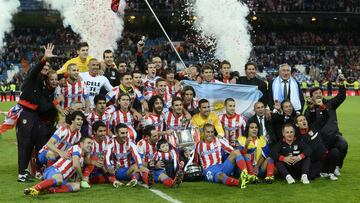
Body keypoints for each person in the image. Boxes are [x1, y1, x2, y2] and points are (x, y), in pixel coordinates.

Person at [16, 44, 56, 182]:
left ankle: (25, 171)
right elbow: (36, 69)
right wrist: (44, 59)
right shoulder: (32, 75)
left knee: (30, 144)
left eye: (47, 69)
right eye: (43, 68)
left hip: (34, 115)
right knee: (24, 144)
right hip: (26, 114)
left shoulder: (41, 81)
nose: (45, 70)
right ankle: (21, 174)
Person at [304, 78, 348, 176]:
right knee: (325, 154)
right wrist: (311, 109)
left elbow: (341, 96)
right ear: (311, 97)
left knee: (343, 144)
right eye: (316, 93)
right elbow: (308, 123)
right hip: (320, 139)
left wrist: (341, 83)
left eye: (320, 92)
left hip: (334, 135)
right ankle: (325, 169)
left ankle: (337, 166)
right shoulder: (309, 109)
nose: (318, 94)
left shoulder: (330, 103)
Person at [24, 136, 93, 196]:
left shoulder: (81, 159)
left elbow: (77, 176)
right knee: (59, 179)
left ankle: (49, 190)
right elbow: (75, 165)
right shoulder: (76, 148)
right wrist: (83, 177)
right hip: (54, 170)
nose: (90, 145)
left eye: (92, 144)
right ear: (81, 144)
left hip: (62, 179)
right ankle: (34, 188)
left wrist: (80, 180)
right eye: (88, 143)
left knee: (76, 186)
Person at [192, 123, 253, 189]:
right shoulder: (198, 146)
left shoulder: (219, 141)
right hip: (209, 170)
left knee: (236, 152)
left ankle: (245, 174)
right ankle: (239, 183)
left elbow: (234, 151)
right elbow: (195, 161)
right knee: (220, 175)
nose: (210, 134)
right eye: (208, 132)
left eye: (212, 132)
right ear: (203, 132)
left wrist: (245, 146)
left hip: (222, 166)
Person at [295, 115, 339, 181]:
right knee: (311, 176)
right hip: (315, 159)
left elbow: (325, 117)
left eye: (304, 119)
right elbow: (308, 151)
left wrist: (321, 106)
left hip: (324, 155)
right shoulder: (298, 137)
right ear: (297, 124)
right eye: (300, 121)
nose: (303, 121)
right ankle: (322, 171)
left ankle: (331, 173)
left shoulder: (314, 127)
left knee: (335, 151)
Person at [82, 121, 112, 187]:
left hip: (102, 166)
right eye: (100, 131)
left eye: (104, 131)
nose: (103, 133)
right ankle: (85, 178)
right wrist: (95, 162)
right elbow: (85, 160)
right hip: (90, 167)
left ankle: (92, 180)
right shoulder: (90, 142)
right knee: (95, 156)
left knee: (109, 178)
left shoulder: (107, 139)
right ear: (95, 132)